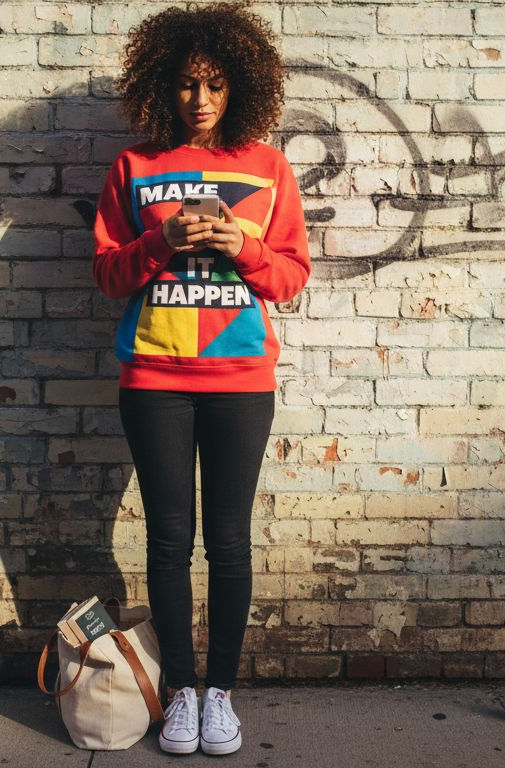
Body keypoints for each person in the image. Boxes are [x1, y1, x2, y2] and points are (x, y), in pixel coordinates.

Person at [90, 1, 310, 757]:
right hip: (153, 379)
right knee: (167, 541)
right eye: (187, 85)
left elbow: (289, 277)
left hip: (241, 381)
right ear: (164, 86)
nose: (201, 100)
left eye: (215, 85)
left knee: (230, 543)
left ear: (239, 86)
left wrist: (241, 245)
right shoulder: (135, 168)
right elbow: (108, 275)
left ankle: (220, 693)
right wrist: (160, 239)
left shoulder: (266, 167)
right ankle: (179, 692)